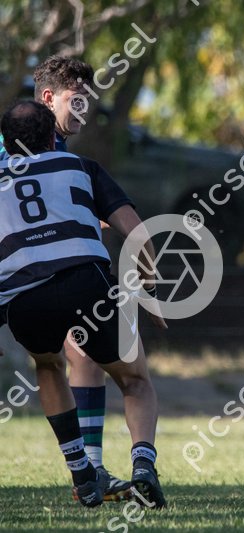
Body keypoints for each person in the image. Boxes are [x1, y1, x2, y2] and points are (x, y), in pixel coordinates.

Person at [0, 101, 166, 508]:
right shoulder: (80, 167)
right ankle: (143, 468)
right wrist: (149, 286)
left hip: (23, 296)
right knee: (135, 379)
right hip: (85, 282)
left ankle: (82, 474)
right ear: (52, 136)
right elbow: (136, 232)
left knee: (48, 365)